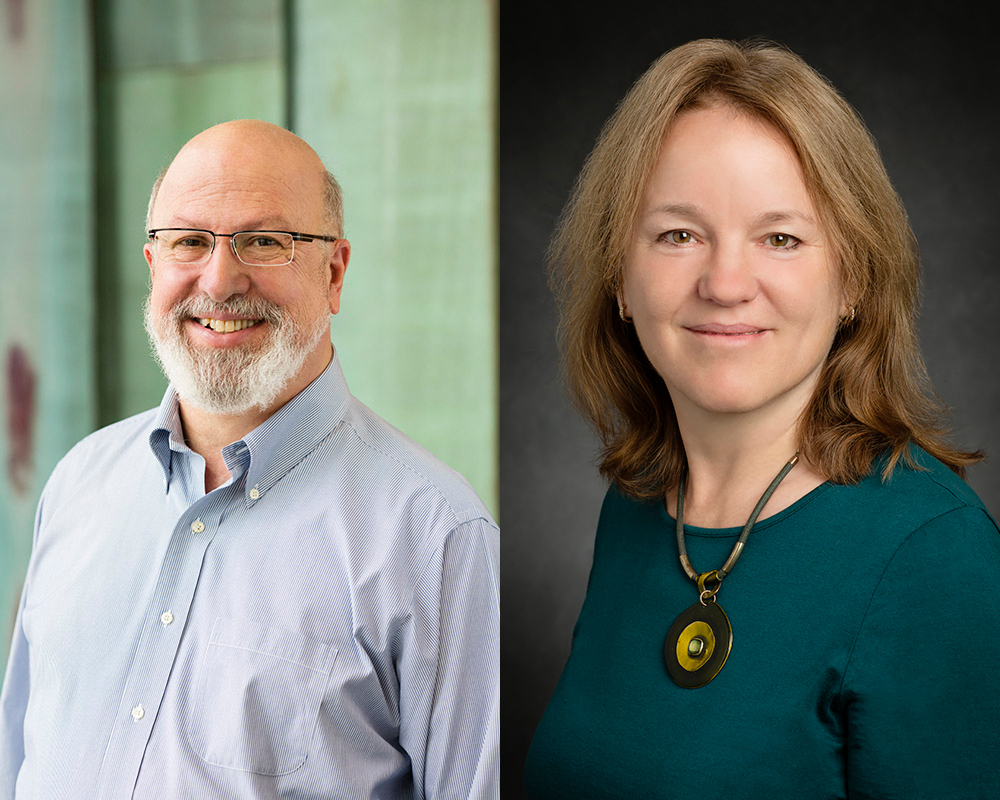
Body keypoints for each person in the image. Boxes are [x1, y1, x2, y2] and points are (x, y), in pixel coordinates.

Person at [524, 39, 999, 797]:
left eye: (780, 238)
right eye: (679, 234)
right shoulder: (639, 509)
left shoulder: (933, 557)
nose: (725, 282)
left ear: (853, 282)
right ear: (619, 275)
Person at [0, 120, 499, 799]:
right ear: (154, 265)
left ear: (335, 271)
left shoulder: (435, 537)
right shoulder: (78, 484)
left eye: (265, 242)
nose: (220, 278)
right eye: (189, 241)